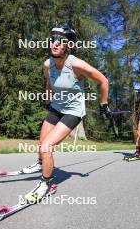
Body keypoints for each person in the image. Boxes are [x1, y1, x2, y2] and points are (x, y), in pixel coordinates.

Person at [24, 24, 110, 203]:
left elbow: (103, 80)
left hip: (72, 111)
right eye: (52, 40)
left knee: (47, 147)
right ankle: (41, 164)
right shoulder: (48, 64)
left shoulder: (76, 64)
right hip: (56, 107)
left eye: (59, 41)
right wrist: (48, 101)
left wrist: (104, 104)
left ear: (68, 46)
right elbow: (49, 83)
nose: (54, 44)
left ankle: (46, 184)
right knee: (41, 144)